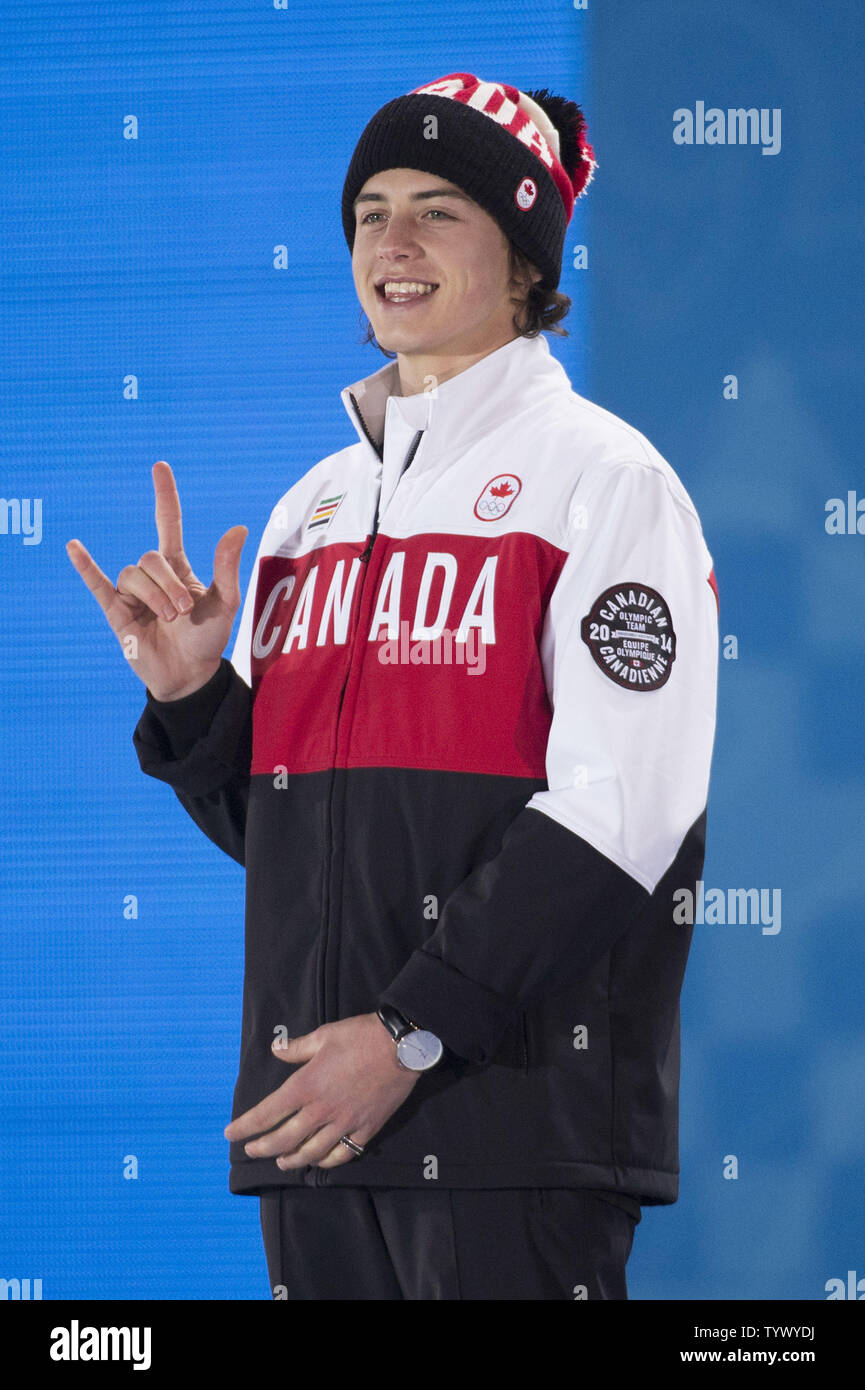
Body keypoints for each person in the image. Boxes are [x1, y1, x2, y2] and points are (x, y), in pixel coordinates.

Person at [66, 72, 719, 1301]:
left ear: (527, 260)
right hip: (319, 1125)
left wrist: (413, 1031)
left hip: (508, 1129)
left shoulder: (607, 481)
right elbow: (292, 843)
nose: (392, 243)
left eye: (439, 209)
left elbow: (624, 811)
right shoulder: (313, 508)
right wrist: (202, 704)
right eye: (369, 211)